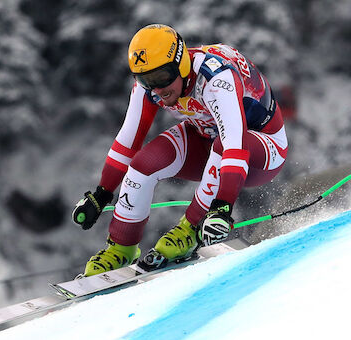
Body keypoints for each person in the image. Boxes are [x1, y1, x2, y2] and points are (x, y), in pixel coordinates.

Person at [72, 24, 288, 276]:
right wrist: (101, 195)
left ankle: (191, 229)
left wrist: (222, 208)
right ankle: (120, 248)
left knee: (222, 144)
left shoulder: (216, 79)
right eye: (146, 80)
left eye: (162, 78)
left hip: (262, 149)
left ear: (181, 65)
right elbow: (128, 140)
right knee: (143, 164)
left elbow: (234, 145)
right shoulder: (150, 88)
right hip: (210, 139)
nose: (158, 90)